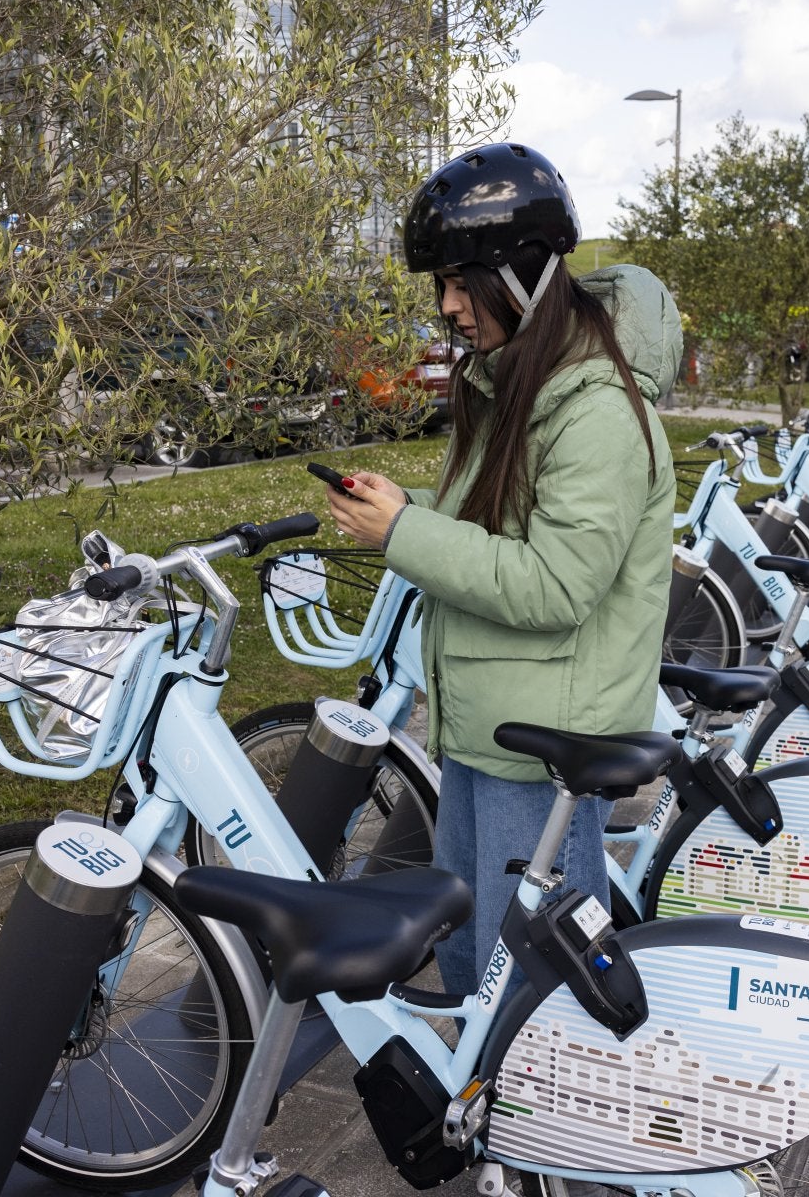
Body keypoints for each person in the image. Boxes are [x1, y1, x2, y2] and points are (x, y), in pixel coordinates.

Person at [323, 143, 679, 996]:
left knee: (531, 985)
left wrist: (404, 532)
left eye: (459, 282)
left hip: (541, 741)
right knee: (477, 958)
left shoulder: (592, 413)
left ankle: (542, 1124)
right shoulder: (515, 386)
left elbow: (555, 585)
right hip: (498, 721)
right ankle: (489, 1112)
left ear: (518, 274)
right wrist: (405, 506)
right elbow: (493, 532)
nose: (447, 307)